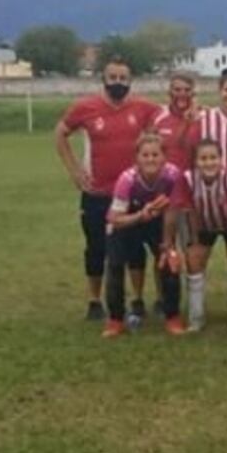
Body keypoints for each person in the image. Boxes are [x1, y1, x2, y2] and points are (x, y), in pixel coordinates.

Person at [55, 57, 160, 321]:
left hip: (132, 193)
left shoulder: (143, 107)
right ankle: (94, 301)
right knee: (96, 247)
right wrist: (75, 170)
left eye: (123, 78)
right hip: (97, 193)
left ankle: (137, 298)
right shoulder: (85, 107)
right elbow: (60, 133)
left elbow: (171, 115)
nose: (118, 83)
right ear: (103, 79)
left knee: (135, 248)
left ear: (130, 81)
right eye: (112, 78)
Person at [101, 132, 186, 338]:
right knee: (114, 265)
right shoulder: (127, 179)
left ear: (164, 157)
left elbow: (172, 211)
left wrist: (167, 244)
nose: (150, 159)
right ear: (137, 158)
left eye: (155, 155)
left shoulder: (173, 175)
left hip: (158, 221)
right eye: (145, 155)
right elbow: (113, 218)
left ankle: (172, 316)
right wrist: (140, 215)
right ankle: (115, 319)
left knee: (169, 261)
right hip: (127, 221)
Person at [170, 139, 227, 333]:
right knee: (194, 261)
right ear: (196, 161)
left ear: (221, 160)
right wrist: (195, 242)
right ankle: (197, 318)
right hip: (202, 224)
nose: (209, 162)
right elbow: (189, 211)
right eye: (203, 158)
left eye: (213, 158)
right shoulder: (187, 179)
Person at [152, 72, 202, 172]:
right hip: (167, 180)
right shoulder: (158, 117)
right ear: (169, 92)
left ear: (193, 93)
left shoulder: (204, 117)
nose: (182, 94)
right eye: (177, 90)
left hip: (193, 180)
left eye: (187, 90)